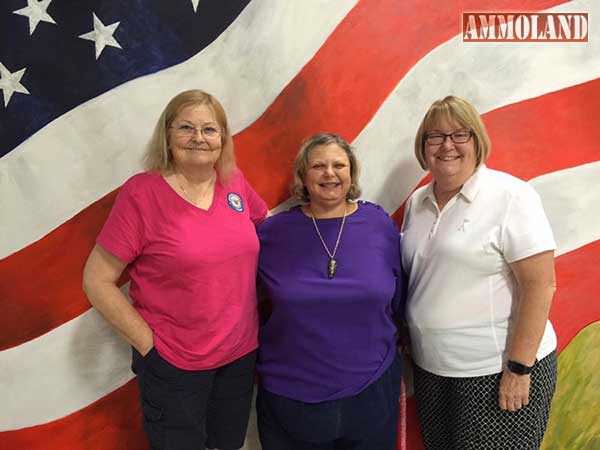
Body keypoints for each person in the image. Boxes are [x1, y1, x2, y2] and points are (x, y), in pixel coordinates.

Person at [82, 89, 267, 450]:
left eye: (210, 130)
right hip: (175, 364)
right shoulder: (142, 194)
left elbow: (267, 231)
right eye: (186, 127)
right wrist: (149, 346)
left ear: (223, 139)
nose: (199, 138)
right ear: (167, 135)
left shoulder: (234, 182)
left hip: (239, 357)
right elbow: (96, 279)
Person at [401, 95, 557, 450]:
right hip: (433, 370)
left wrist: (519, 369)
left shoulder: (511, 196)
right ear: (423, 146)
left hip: (497, 370)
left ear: (477, 141)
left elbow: (540, 285)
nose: (447, 146)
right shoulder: (418, 203)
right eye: (435, 136)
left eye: (460, 135)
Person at [255, 133, 404, 450]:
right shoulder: (273, 233)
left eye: (339, 165)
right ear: (303, 176)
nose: (329, 173)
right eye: (318, 166)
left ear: (351, 174)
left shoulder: (378, 224)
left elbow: (399, 298)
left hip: (372, 391)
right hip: (291, 399)